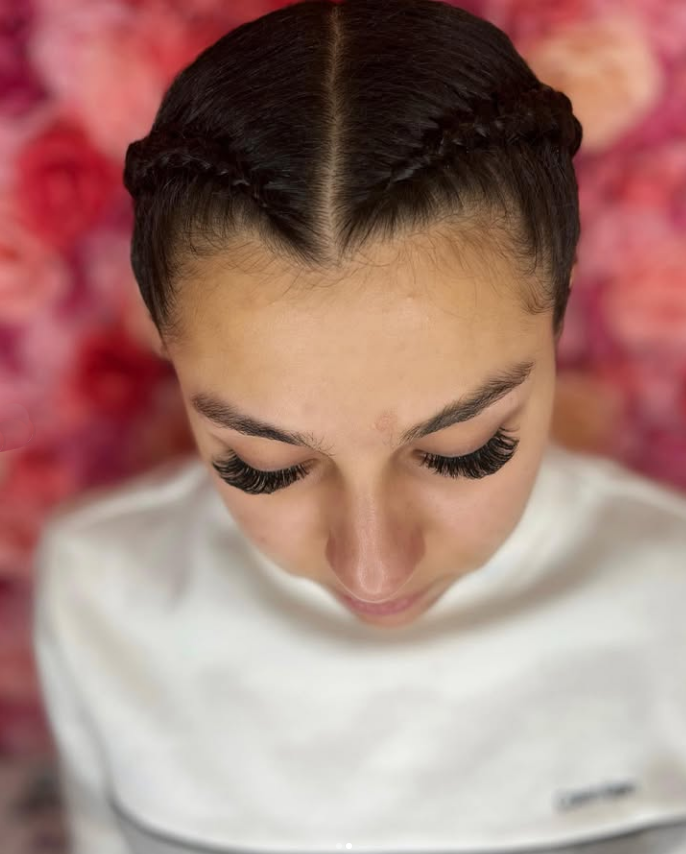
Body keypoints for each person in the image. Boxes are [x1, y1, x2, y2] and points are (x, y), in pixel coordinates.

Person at [32, 0, 686, 852]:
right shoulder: (101, 596)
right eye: (263, 463)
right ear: (168, 353)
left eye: (464, 449)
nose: (373, 567)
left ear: (559, 318)